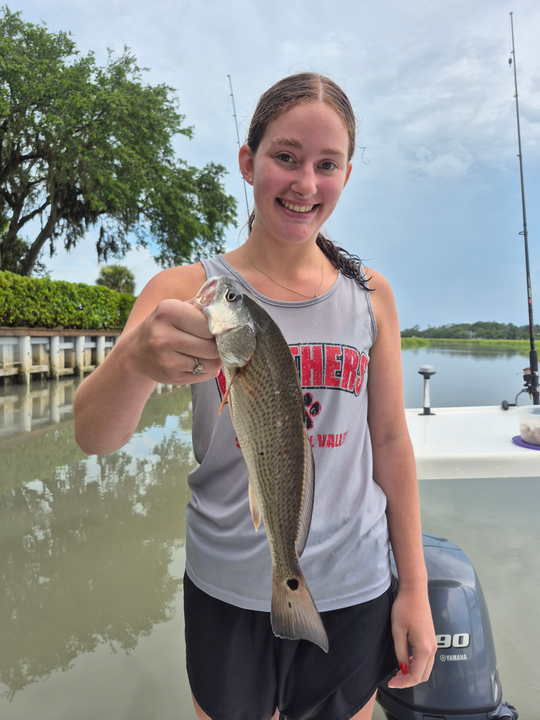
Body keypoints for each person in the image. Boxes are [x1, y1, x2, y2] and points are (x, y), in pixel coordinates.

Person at [74, 72, 437, 720]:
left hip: (358, 583)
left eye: (327, 165)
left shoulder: (370, 294)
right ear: (249, 161)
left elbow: (389, 441)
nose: (305, 184)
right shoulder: (187, 289)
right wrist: (132, 360)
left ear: (347, 176)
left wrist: (416, 589)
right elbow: (93, 436)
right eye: (286, 157)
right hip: (227, 588)